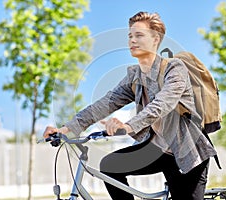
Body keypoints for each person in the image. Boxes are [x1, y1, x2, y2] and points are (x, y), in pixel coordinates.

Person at [44, 11, 217, 200]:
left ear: (155, 39)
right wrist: (66, 129)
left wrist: (127, 126)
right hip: (158, 149)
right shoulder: (135, 76)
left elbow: (161, 105)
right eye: (130, 36)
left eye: (139, 35)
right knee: (110, 166)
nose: (132, 40)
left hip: (187, 153)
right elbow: (104, 104)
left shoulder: (174, 69)